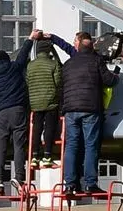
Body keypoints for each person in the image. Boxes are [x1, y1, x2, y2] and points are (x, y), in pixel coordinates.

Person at [46, 30, 119, 197]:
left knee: (71, 146)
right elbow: (109, 80)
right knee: (90, 146)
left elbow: (62, 88)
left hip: (71, 110)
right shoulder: (96, 61)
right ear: (91, 45)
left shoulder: (69, 64)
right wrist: (117, 76)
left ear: (78, 44)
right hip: (91, 109)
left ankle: (70, 184)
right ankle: (90, 183)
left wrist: (62, 110)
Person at [0, 29, 40, 195]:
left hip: (1, 114)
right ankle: (18, 177)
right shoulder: (14, 68)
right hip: (18, 110)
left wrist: (0, 103)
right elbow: (24, 54)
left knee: (0, 148)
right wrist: (30, 38)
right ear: (6, 59)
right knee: (19, 145)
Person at [25, 37, 64, 169]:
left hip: (35, 102)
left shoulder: (30, 65)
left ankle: (34, 156)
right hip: (50, 101)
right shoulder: (53, 64)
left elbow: (28, 81)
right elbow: (58, 82)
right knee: (49, 128)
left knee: (36, 128)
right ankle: (47, 155)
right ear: (48, 51)